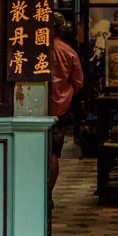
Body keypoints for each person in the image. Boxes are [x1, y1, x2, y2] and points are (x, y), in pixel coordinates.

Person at [49, 12, 84, 197]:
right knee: (53, 153)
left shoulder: (33, 50)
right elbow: (78, 82)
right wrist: (66, 94)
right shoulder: (69, 52)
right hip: (60, 109)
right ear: (62, 29)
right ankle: (48, 195)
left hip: (32, 109)